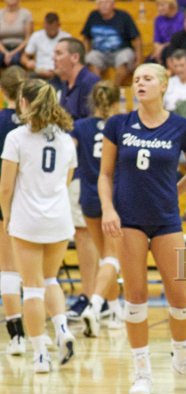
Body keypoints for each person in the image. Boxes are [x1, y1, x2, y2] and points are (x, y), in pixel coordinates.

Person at [98, 63, 186, 394]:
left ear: (163, 85)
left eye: (147, 78)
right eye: (136, 79)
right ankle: (142, 372)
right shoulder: (118, 124)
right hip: (129, 219)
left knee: (180, 296)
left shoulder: (182, 127)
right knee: (135, 297)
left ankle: (183, 359)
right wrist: (108, 209)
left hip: (166, 219)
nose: (140, 83)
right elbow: (105, 174)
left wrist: (173, 194)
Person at [0, 78, 78, 373]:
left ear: (23, 103)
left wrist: (7, 216)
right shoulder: (65, 139)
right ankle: (62, 329)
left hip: (28, 220)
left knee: (32, 288)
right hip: (59, 219)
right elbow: (66, 180)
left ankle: (41, 355)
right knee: (50, 279)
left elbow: (5, 188)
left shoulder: (17, 137)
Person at [53, 36, 102, 325]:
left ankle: (91, 296)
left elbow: (94, 129)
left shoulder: (90, 84)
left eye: (59, 53)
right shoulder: (64, 87)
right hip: (71, 169)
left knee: (85, 233)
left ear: (75, 57)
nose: (54, 57)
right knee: (82, 233)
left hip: (87, 171)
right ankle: (95, 296)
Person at [71, 81, 125, 336]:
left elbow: (68, 158)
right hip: (114, 197)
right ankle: (96, 306)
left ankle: (114, 310)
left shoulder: (80, 126)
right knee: (113, 258)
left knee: (106, 258)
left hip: (89, 198)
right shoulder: (123, 124)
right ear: (116, 101)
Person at [0, 66, 27, 356]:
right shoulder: (37, 122)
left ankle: (16, 334)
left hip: (5, 201)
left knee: (7, 268)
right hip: (34, 202)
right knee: (35, 272)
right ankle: (44, 333)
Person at [81, 0, 142, 86]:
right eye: (101, 3)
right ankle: (99, 88)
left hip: (121, 50)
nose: (104, 5)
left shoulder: (124, 16)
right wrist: (86, 53)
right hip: (99, 52)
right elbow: (86, 38)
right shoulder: (93, 16)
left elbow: (136, 38)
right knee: (90, 58)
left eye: (107, 2)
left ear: (113, 5)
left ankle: (114, 88)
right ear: (97, 5)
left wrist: (139, 59)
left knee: (125, 57)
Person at [21, 12, 71, 80]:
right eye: (48, 28)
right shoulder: (36, 36)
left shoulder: (67, 38)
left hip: (59, 73)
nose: (51, 31)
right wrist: (27, 62)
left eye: (53, 28)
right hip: (39, 71)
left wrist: (57, 71)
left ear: (58, 25)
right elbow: (24, 57)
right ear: (44, 25)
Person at [0, 0, 33, 67]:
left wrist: (13, 53)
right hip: (2, 48)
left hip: (20, 48)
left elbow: (27, 38)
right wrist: (6, 52)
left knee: (15, 59)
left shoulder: (26, 14)